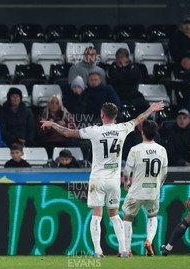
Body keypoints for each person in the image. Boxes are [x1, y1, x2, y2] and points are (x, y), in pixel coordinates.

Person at [41, 101, 165, 258]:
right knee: (114, 214)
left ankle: (98, 251)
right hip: (114, 179)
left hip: (98, 178)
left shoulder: (95, 130)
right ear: (115, 116)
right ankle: (123, 250)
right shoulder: (123, 128)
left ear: (102, 115)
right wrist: (150, 109)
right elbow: (139, 119)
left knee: (96, 215)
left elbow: (67, 133)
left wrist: (52, 124)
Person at [122, 120, 168, 256]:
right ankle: (149, 240)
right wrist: (159, 185)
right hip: (153, 190)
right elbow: (164, 173)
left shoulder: (135, 150)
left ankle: (127, 249)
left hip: (136, 190)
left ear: (142, 133)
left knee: (127, 217)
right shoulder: (162, 150)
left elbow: (126, 171)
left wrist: (126, 183)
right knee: (152, 216)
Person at [106, 48, 148, 113]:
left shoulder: (134, 67)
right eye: (118, 57)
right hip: (117, 94)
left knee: (143, 104)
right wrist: (123, 70)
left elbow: (136, 77)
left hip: (132, 94)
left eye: (122, 57)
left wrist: (123, 69)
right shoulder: (112, 67)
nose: (120, 59)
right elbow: (116, 78)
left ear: (127, 58)